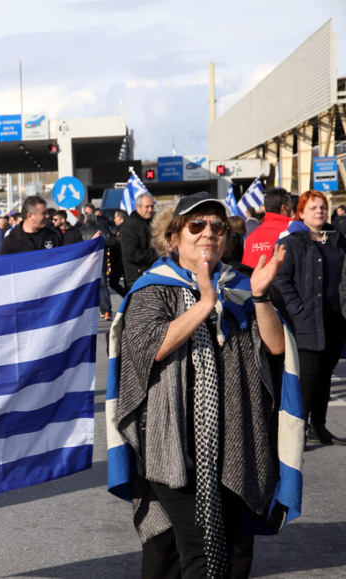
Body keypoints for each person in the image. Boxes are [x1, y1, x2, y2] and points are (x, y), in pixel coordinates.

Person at [109, 191, 300, 578]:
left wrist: (261, 296)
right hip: (172, 442)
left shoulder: (243, 285)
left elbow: (276, 347)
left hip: (237, 439)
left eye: (218, 226)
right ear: (174, 237)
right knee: (188, 550)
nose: (208, 233)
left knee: (232, 550)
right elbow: (152, 346)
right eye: (196, 225)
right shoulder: (152, 288)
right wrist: (202, 303)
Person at [275, 191, 346, 445]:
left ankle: (319, 425)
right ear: (301, 213)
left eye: (323, 207)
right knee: (307, 378)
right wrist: (297, 309)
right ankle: (297, 433)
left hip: (336, 319)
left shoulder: (338, 240)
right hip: (307, 320)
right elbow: (281, 281)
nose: (320, 211)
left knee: (326, 374)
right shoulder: (293, 242)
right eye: (314, 207)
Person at [242, 188, 293, 269]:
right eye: (290, 204)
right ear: (283, 207)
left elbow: (246, 267)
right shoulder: (292, 230)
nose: (292, 208)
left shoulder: (251, 236)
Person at [119, 192, 156, 290]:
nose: (150, 210)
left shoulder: (154, 223)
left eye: (152, 206)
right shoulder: (129, 226)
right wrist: (158, 254)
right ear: (138, 207)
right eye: (147, 207)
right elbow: (132, 254)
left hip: (154, 275)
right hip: (137, 279)